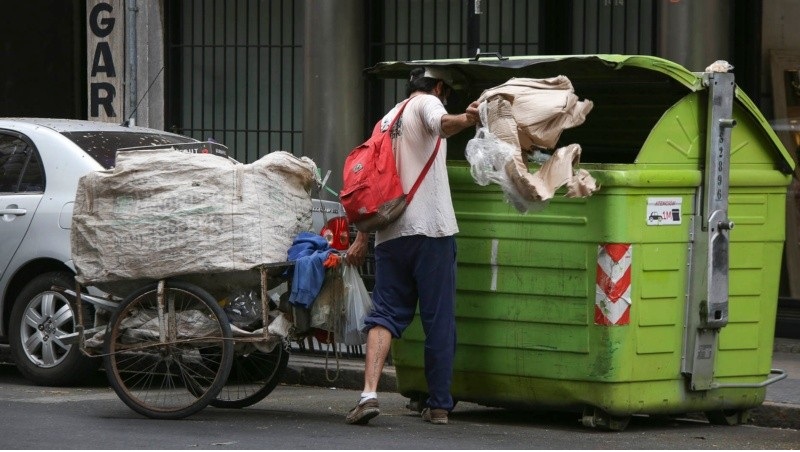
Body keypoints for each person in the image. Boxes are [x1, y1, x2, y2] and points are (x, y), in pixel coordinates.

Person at [344, 66, 479, 426]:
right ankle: (438, 405)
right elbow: (443, 123)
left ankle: (368, 393)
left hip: (390, 236)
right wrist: (467, 117)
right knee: (438, 321)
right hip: (431, 233)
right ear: (438, 87)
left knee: (385, 314)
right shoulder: (428, 105)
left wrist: (362, 236)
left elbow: (369, 187)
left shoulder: (385, 121)